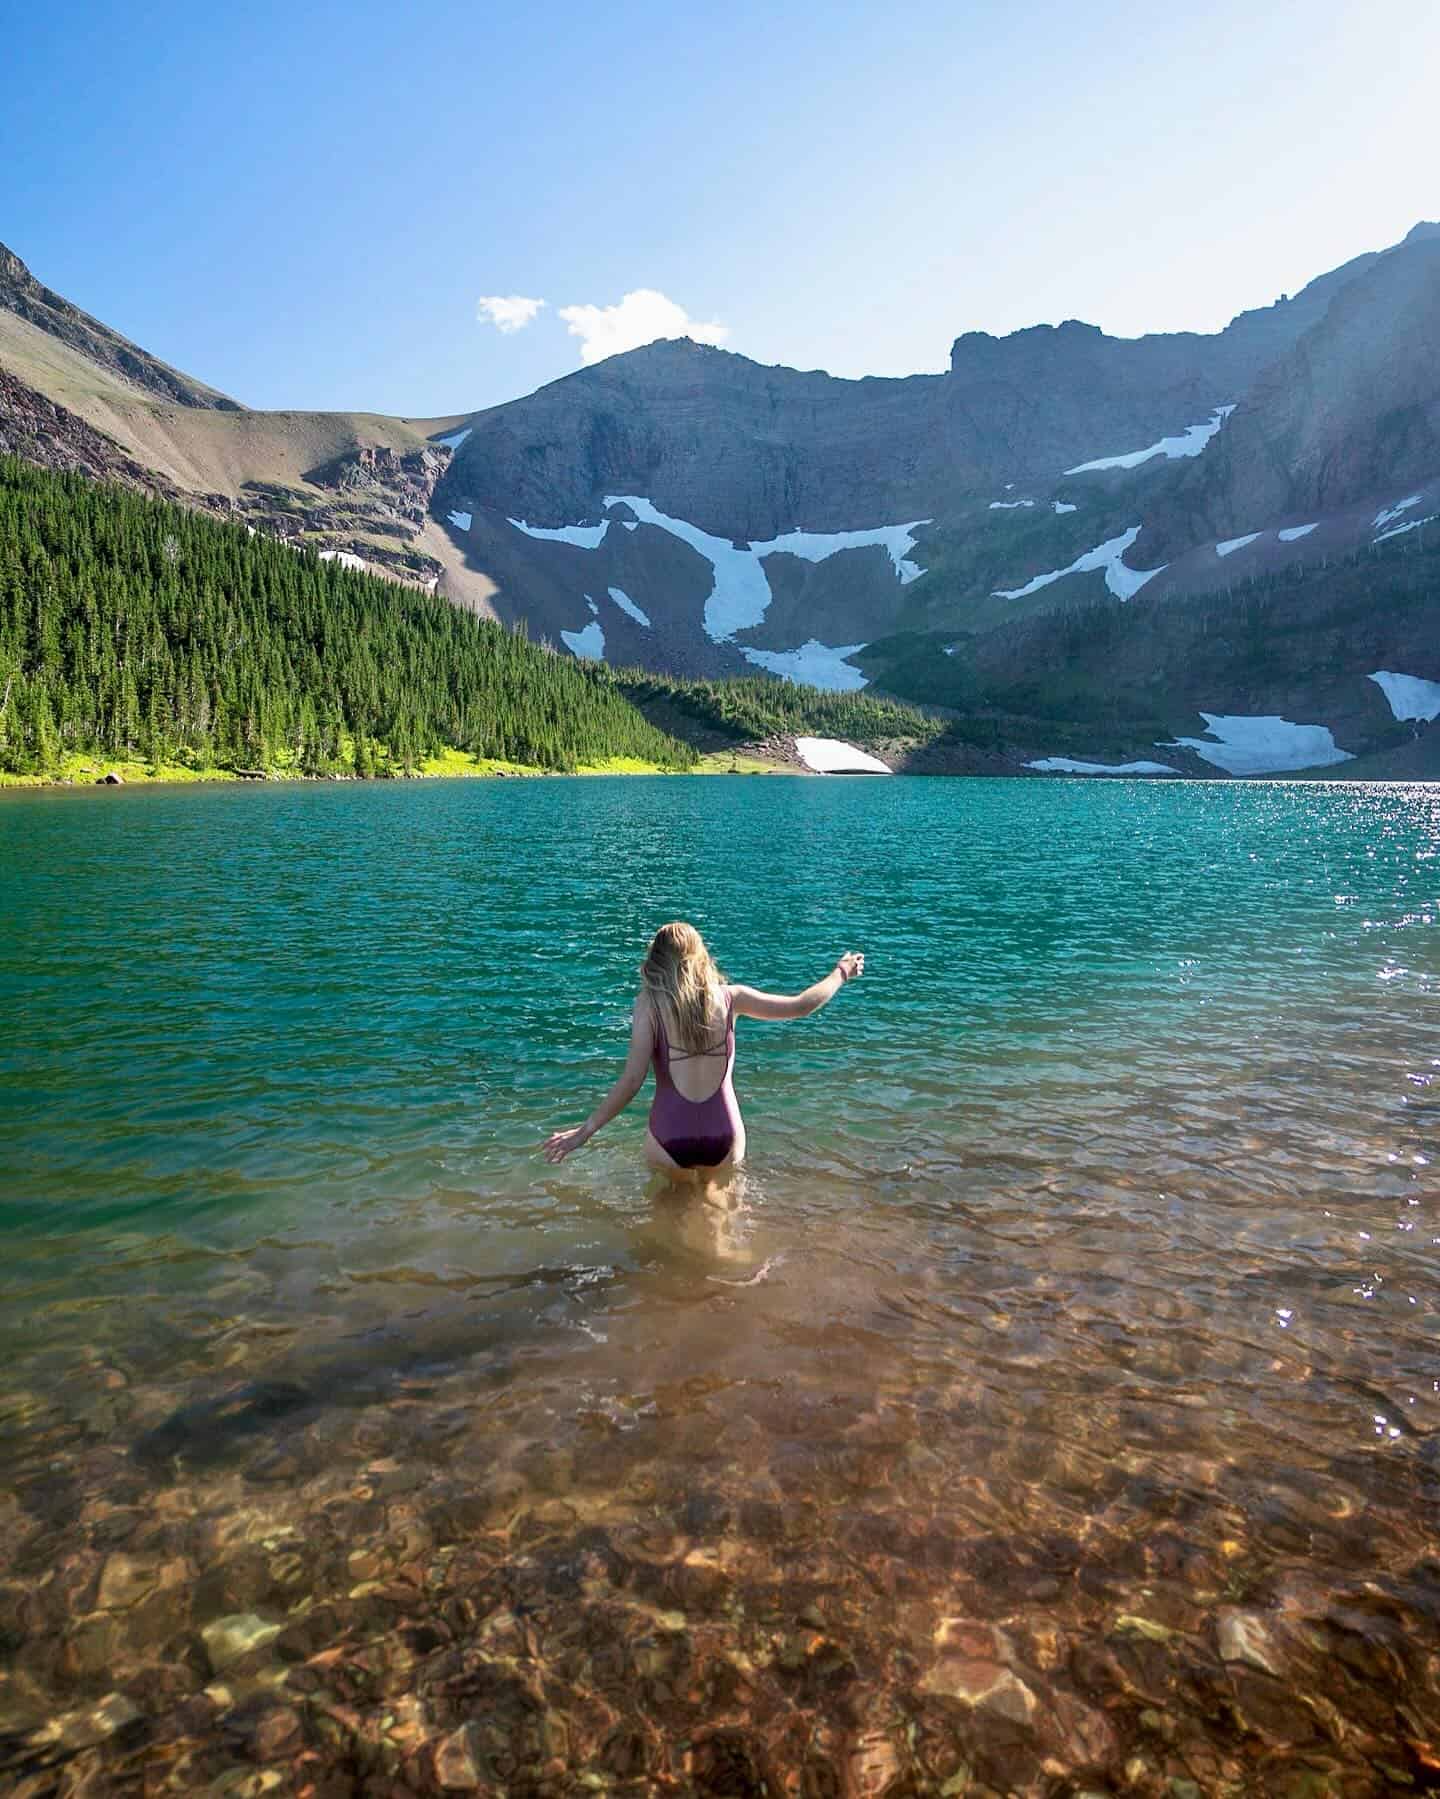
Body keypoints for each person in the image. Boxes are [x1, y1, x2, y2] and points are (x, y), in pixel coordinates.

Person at [541, 921, 864, 1177]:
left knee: (665, 1229)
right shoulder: (731, 998)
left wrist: (585, 1131)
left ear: (656, 960)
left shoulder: (649, 1005)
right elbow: (801, 1005)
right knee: (728, 1221)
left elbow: (632, 1081)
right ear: (700, 956)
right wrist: (841, 973)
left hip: (668, 1134)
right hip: (724, 1130)